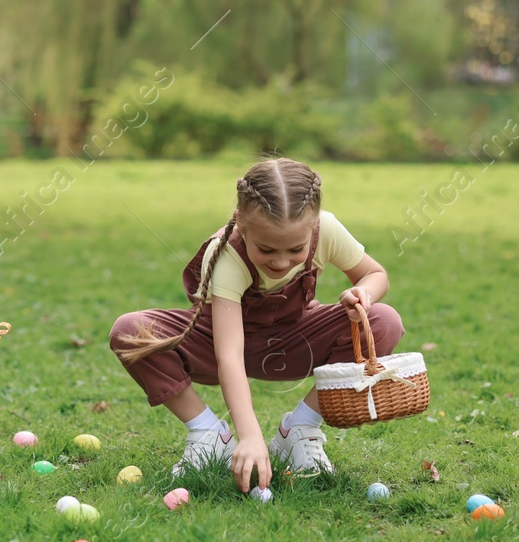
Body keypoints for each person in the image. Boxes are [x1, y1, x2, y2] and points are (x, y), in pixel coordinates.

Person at [109, 157, 404, 490]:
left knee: (383, 320)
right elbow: (230, 356)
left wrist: (362, 294)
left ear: (313, 226)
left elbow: (375, 274)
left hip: (295, 343)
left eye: (296, 249)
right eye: (266, 249)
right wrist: (249, 436)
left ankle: (300, 431)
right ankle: (209, 435)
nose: (281, 261)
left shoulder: (327, 229)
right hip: (217, 344)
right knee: (131, 332)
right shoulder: (226, 257)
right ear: (241, 223)